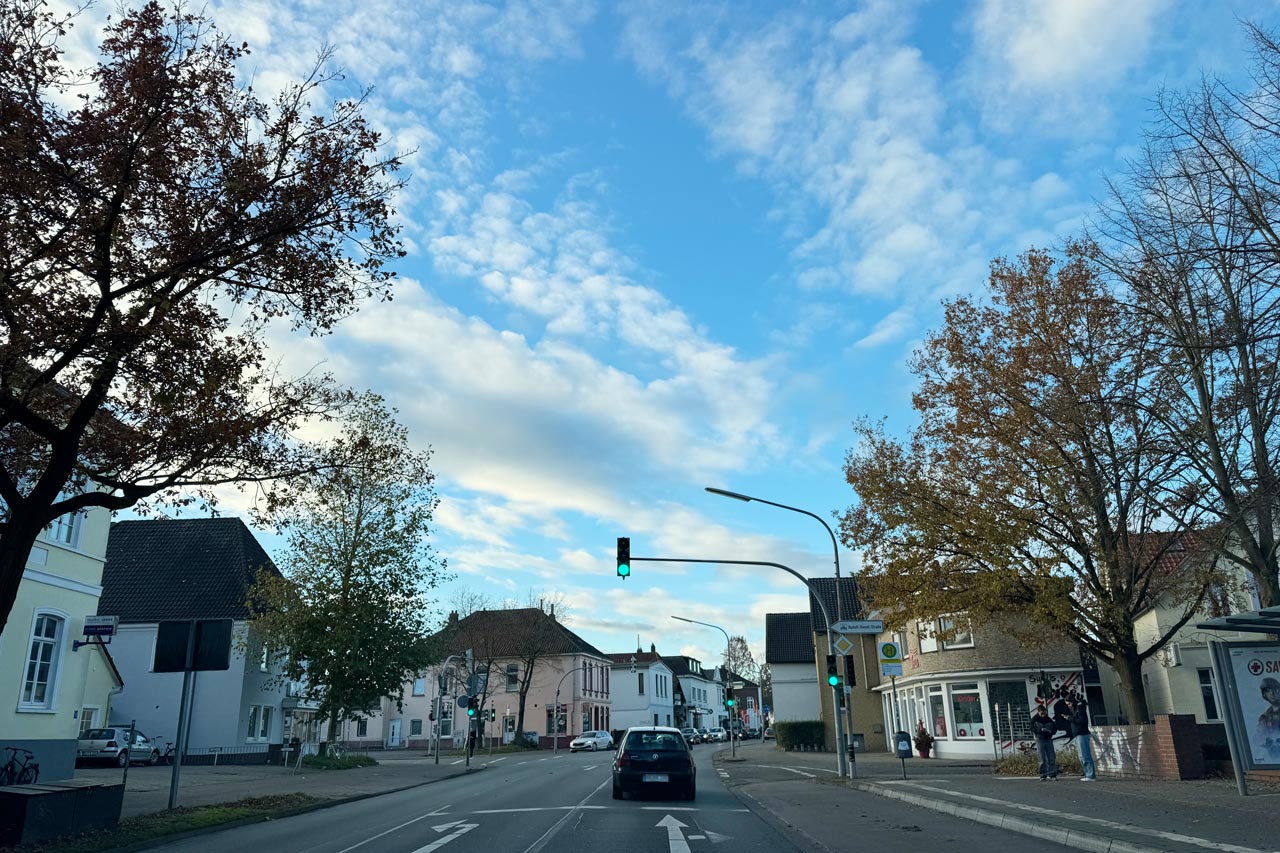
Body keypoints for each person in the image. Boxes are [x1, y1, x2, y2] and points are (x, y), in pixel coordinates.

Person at [1067, 695, 1096, 781]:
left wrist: (1070, 718)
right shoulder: (1076, 709)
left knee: (1085, 755)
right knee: (1082, 755)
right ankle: (1087, 774)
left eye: (1069, 703)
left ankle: (1090, 775)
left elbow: (1082, 720)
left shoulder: (1080, 708)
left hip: (1082, 733)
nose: (1068, 705)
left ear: (1072, 702)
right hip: (1078, 734)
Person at [1031, 704, 1058, 780]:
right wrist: (1039, 731)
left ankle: (1052, 774)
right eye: (1042, 713)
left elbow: (1055, 729)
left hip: (1048, 739)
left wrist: (1050, 732)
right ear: (1038, 712)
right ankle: (1043, 775)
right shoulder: (1034, 719)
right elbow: (1031, 728)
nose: (1043, 715)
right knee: (1041, 758)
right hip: (1040, 739)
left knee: (1051, 757)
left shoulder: (1049, 719)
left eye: (1044, 713)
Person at [1256, 677, 1280, 744]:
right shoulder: (1264, 717)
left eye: (1275, 689)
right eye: (1268, 690)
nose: (1272, 693)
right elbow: (1258, 739)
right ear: (1264, 694)